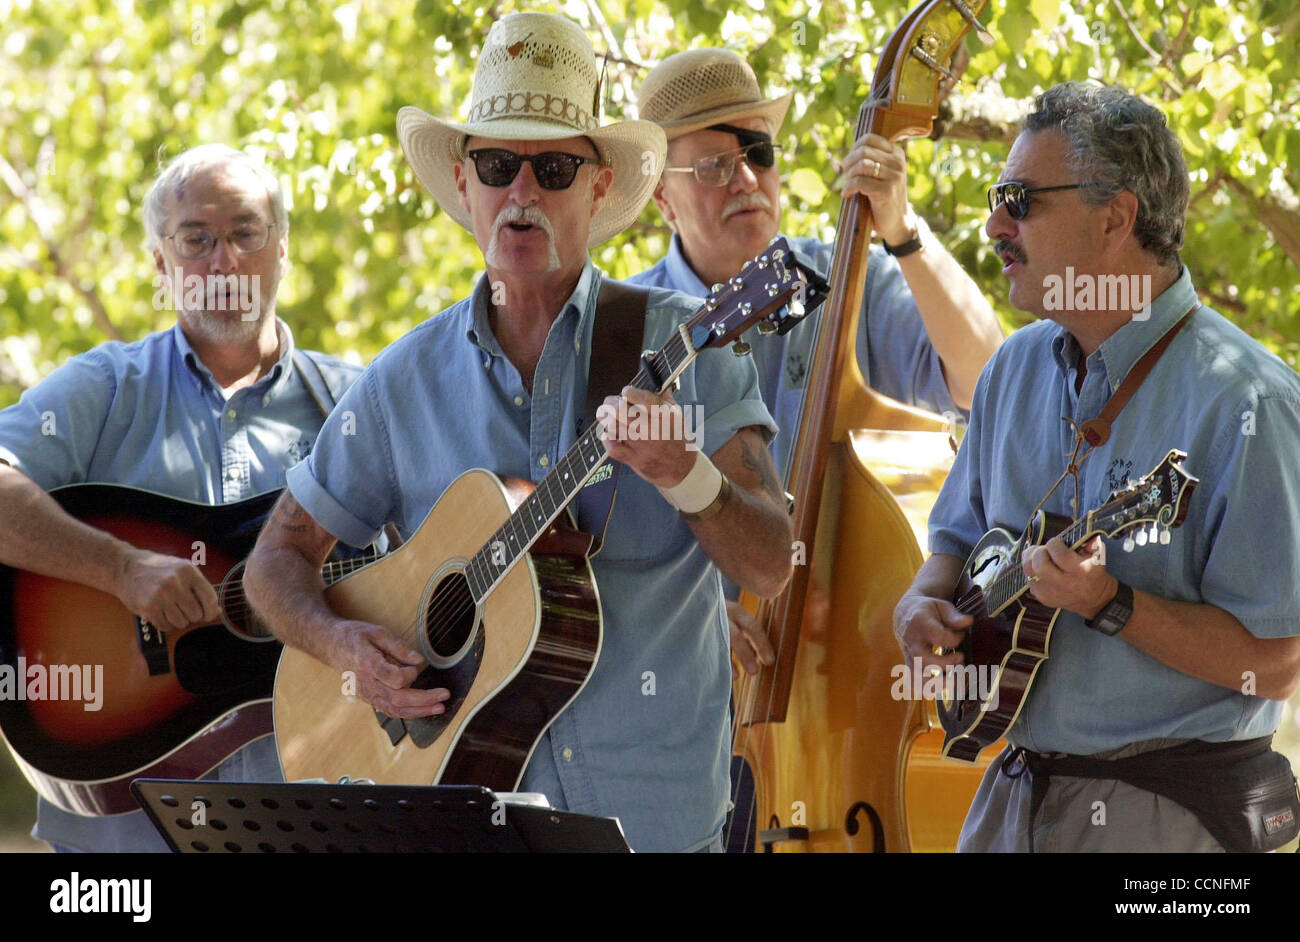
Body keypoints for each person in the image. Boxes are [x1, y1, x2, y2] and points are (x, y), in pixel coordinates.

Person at [243, 12, 793, 854]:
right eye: (498, 165)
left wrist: (688, 477)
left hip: (657, 835)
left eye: (556, 166)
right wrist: (341, 643)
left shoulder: (687, 346)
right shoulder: (401, 381)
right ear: (465, 184)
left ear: (600, 187)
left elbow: (770, 562)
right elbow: (274, 563)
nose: (523, 192)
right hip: (463, 829)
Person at [894, 82, 1300, 852]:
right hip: (1012, 796)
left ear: (1116, 217)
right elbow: (950, 547)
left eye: (1020, 199)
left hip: (1169, 818)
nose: (994, 225)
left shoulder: (1250, 402)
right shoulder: (1011, 369)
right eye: (997, 197)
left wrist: (1111, 603)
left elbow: (1278, 666)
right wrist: (919, 608)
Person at [0, 144, 363, 852]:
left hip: (305, 819)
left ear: (281, 249)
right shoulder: (104, 389)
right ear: (162, 267)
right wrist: (121, 570)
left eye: (245, 232)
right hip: (123, 841)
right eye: (196, 239)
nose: (223, 261)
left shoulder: (356, 406)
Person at [629, 49, 1004, 675]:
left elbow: (986, 377)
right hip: (687, 696)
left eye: (759, 153)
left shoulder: (850, 277)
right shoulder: (628, 325)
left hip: (842, 674)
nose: (746, 179)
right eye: (715, 166)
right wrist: (681, 616)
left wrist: (902, 228)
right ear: (664, 199)